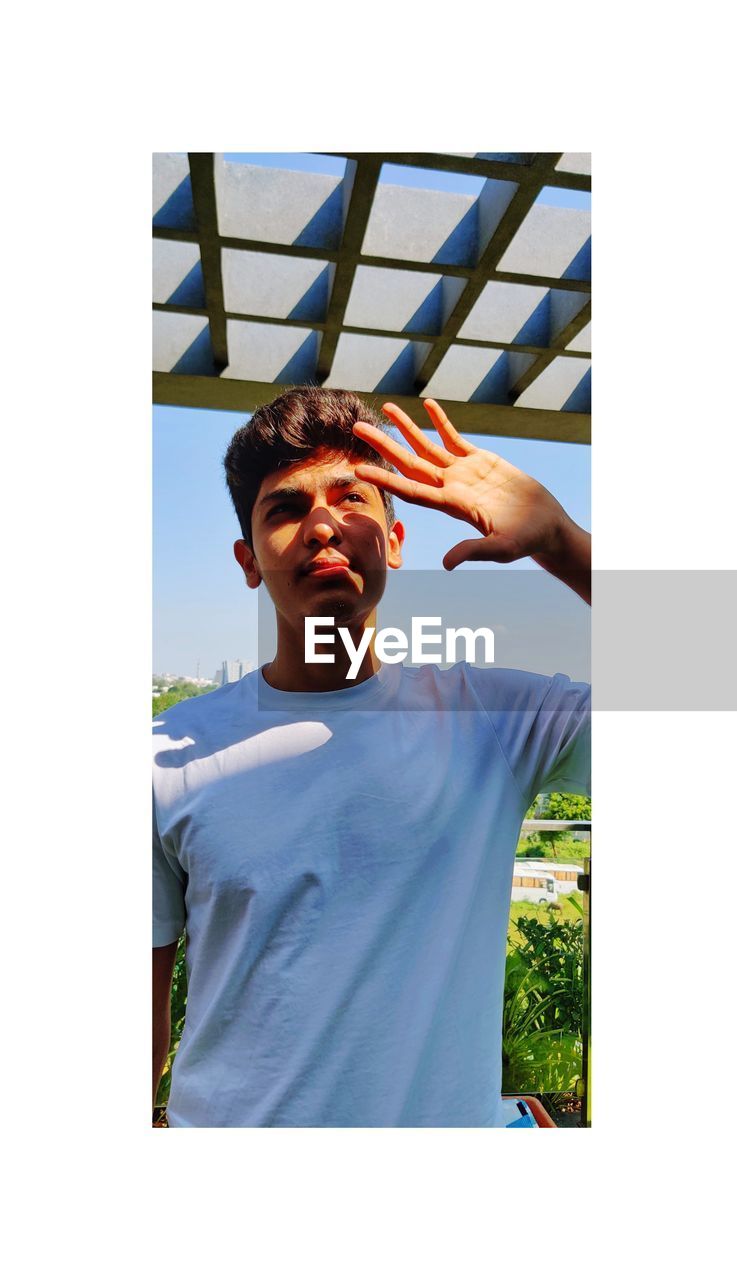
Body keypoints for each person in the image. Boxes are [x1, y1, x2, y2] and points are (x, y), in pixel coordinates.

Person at [152, 386, 591, 1127]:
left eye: (352, 498)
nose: (321, 524)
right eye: (285, 509)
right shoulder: (163, 760)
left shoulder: (500, 721)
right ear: (248, 559)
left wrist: (557, 539)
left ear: (392, 543)